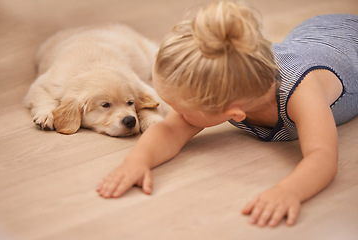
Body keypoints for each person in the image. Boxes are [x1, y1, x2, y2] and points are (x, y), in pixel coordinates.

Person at [96, 0, 358, 227]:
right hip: (315, 33)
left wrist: (288, 191)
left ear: (234, 114)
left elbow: (322, 156)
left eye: (182, 109)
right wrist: (137, 161)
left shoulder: (302, 92)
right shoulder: (235, 76)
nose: (175, 114)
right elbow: (169, 130)